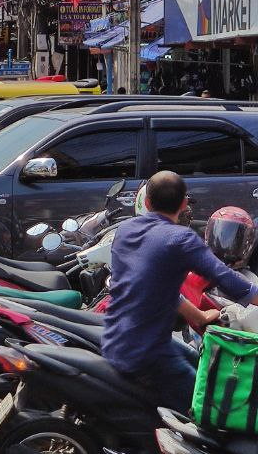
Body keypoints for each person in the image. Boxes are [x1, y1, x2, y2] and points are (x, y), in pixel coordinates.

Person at [102, 170, 258, 410]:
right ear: (184, 203)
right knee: (214, 406)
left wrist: (200, 316)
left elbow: (156, 287)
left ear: (146, 202)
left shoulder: (125, 230)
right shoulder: (181, 239)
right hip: (148, 353)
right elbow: (227, 278)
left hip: (115, 339)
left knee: (201, 364)